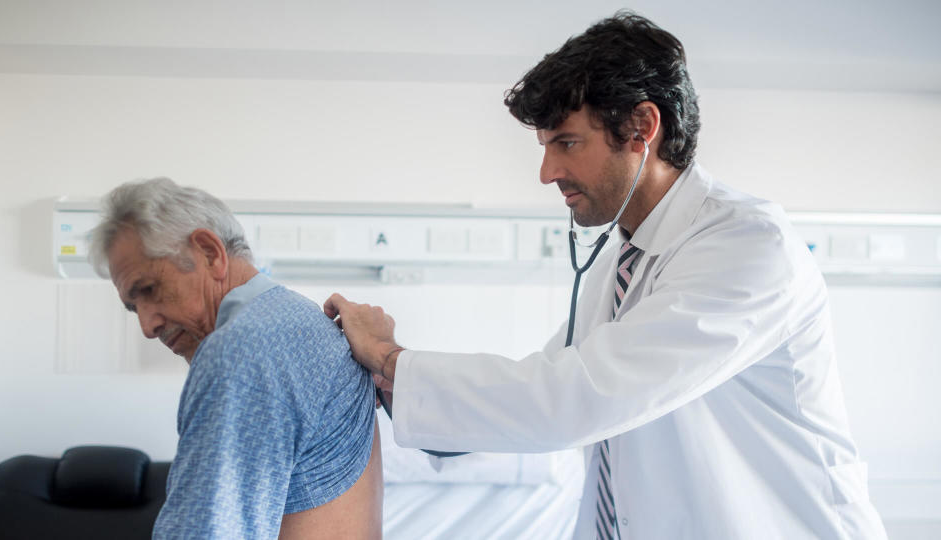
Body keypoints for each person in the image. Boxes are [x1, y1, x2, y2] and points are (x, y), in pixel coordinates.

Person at [324, 11, 886, 539]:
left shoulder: (748, 246)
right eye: (545, 148)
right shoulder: (624, 259)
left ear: (642, 126)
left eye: (567, 143)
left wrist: (393, 358)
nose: (547, 173)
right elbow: (541, 390)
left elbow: (575, 398)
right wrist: (392, 389)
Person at [88, 178, 382, 539]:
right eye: (134, 308)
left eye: (149, 290)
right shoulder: (302, 320)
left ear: (210, 253)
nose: (147, 326)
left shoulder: (240, 351)